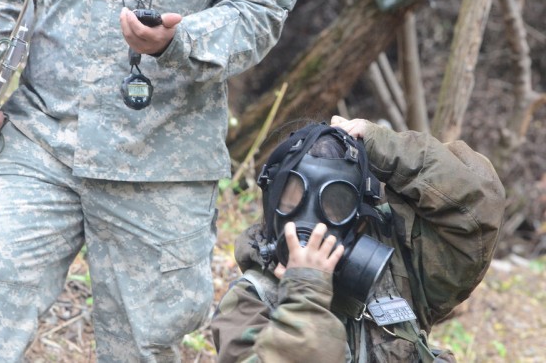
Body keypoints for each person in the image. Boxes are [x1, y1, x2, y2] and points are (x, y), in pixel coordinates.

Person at [0, 0, 300, 361]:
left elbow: (259, 7)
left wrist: (181, 40)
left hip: (162, 164)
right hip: (40, 139)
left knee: (141, 348)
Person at [211, 116, 506, 362]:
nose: (312, 223)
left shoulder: (398, 269)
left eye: (334, 203)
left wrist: (386, 148)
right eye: (294, 199)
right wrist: (305, 293)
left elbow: (477, 209)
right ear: (272, 203)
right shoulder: (249, 303)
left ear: (360, 214)